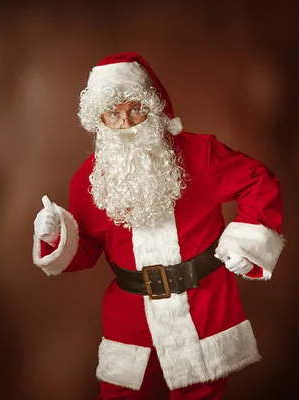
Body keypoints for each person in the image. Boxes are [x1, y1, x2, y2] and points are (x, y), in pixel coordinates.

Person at [32, 52, 285, 399]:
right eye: (114, 115)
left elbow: (258, 181)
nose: (127, 123)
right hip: (131, 320)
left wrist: (245, 244)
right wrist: (55, 235)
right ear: (99, 120)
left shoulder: (199, 154)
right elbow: (87, 249)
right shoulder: (89, 180)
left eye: (135, 109)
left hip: (202, 309)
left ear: (152, 107)